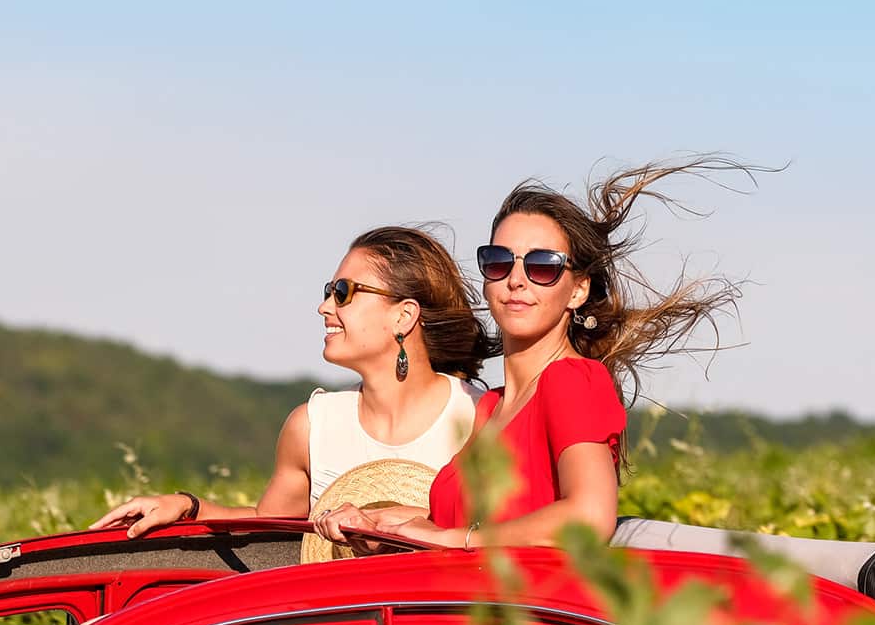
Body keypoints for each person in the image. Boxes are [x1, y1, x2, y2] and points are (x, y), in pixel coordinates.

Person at [317, 158, 750, 551]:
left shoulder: (572, 382)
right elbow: (479, 523)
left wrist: (457, 539)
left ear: (577, 290)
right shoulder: (491, 405)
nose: (517, 280)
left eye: (542, 266)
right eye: (499, 262)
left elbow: (588, 517)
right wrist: (382, 522)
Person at [89, 226, 492, 536]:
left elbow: (507, 536)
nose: (324, 307)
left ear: (403, 316)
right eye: (329, 291)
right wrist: (188, 506)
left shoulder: (482, 418)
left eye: (343, 292)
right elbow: (269, 527)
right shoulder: (311, 426)